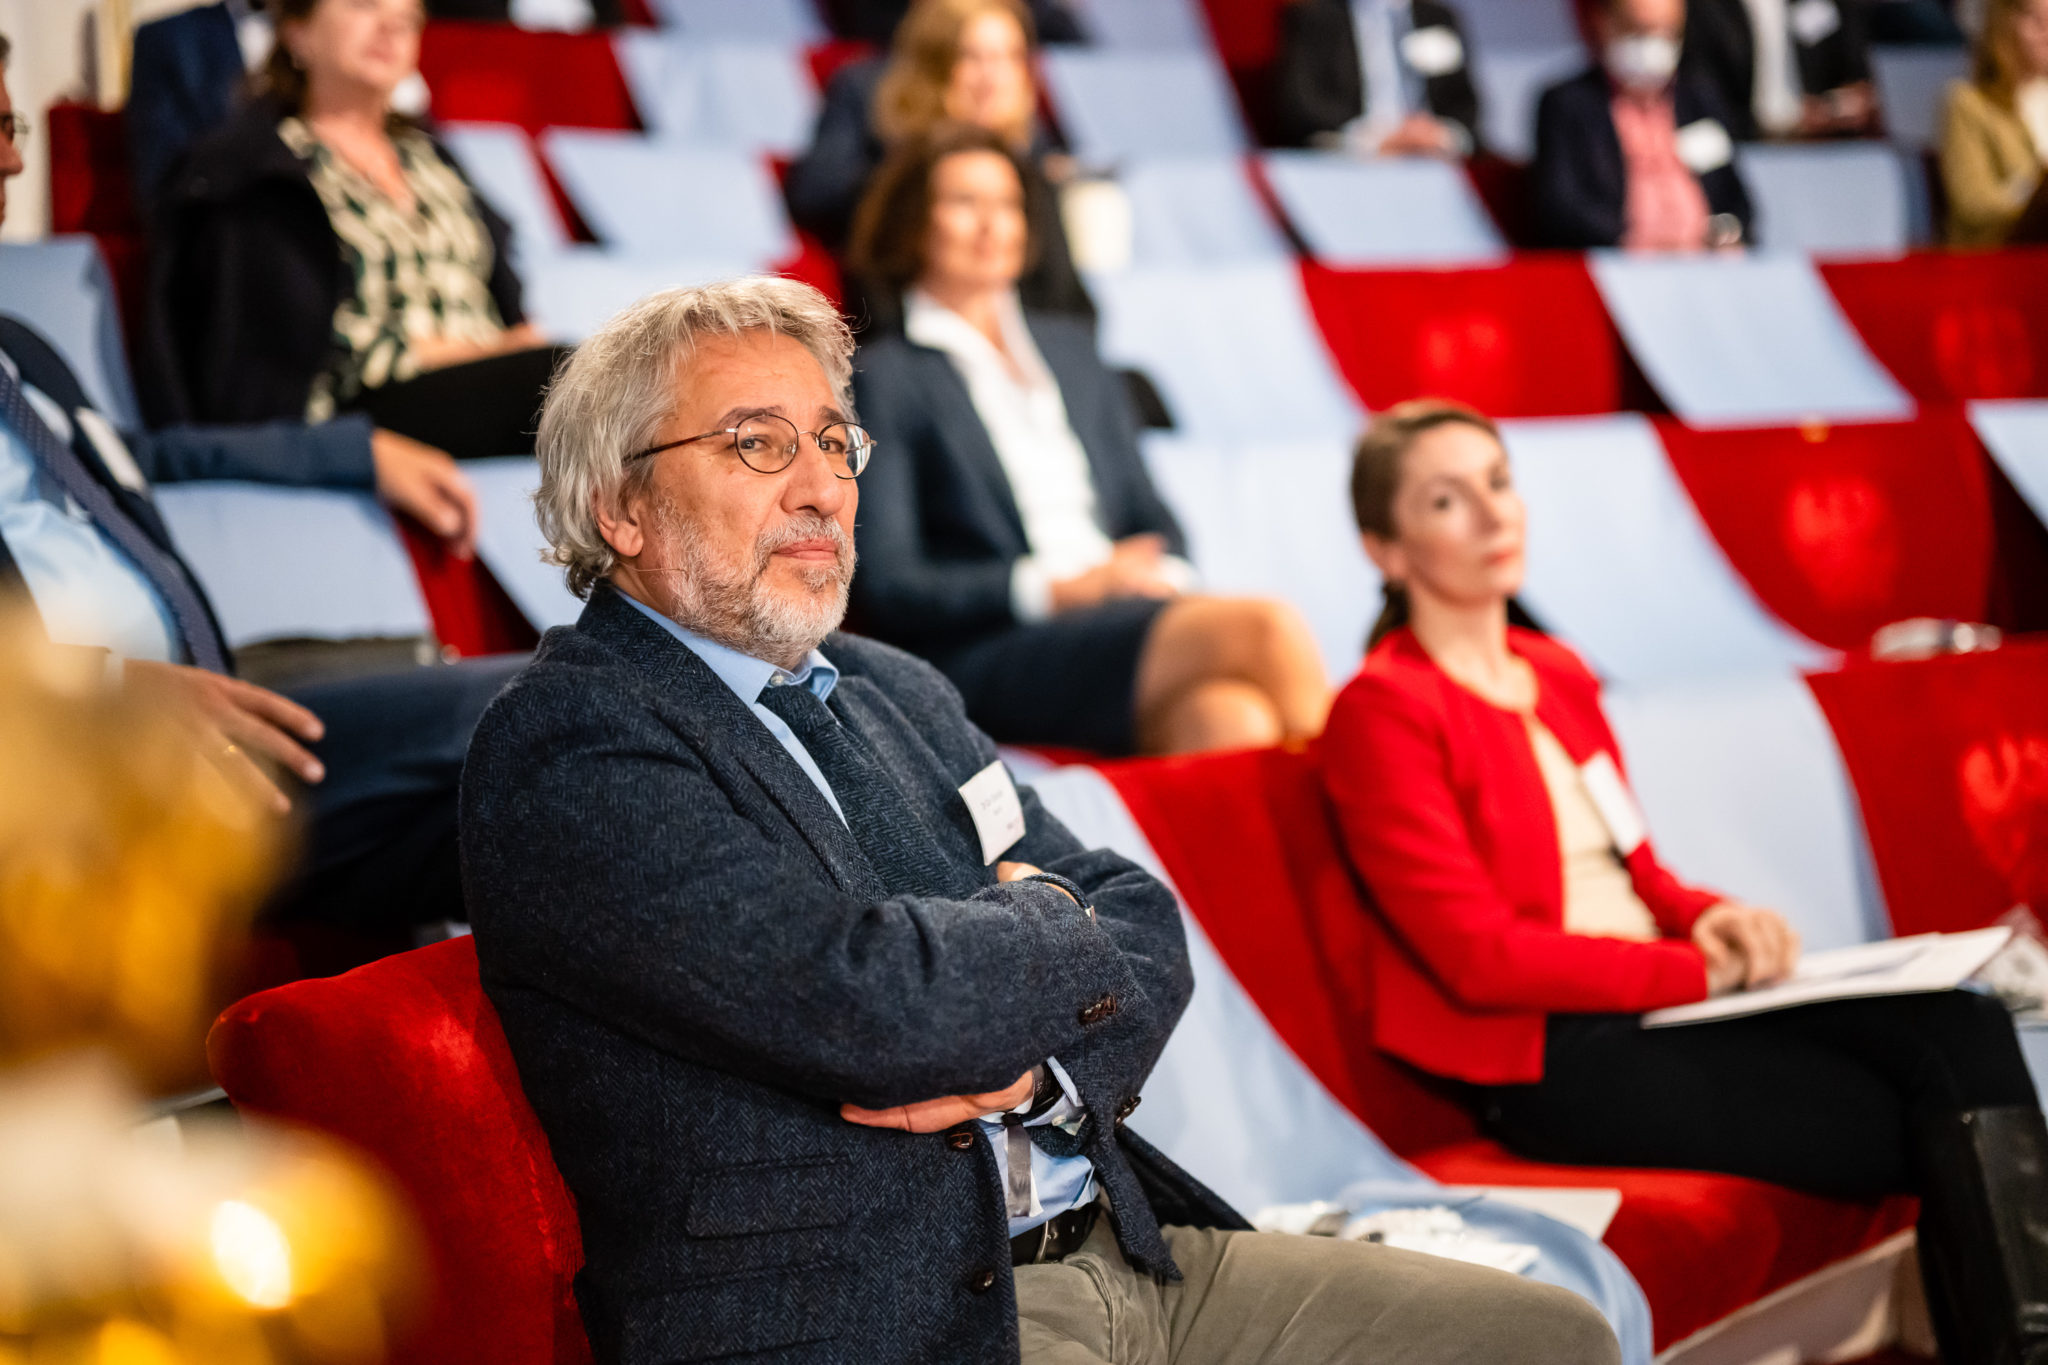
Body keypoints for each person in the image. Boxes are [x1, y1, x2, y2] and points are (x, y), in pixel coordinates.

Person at [460, 274, 1622, 1365]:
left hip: (1121, 1248)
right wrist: (1051, 923)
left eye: (832, 442)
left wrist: (1025, 1064)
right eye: (757, 444)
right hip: (885, 1312)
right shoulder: (575, 741)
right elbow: (871, 1005)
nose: (819, 487)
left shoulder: (893, 688)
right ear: (620, 506)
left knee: (1547, 1338)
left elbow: (1143, 918)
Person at [1319, 399, 2048, 1365]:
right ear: (1386, 549)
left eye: (1499, 481)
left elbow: (1637, 867)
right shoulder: (1381, 709)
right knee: (1939, 1110)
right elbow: (1477, 956)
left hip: (1667, 1001)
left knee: (1964, 1023)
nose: (1494, 513)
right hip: (1555, 1053)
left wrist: (1714, 916)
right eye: (1449, 500)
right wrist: (1697, 970)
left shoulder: (1553, 670)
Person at [0, 31, 520, 936]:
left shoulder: (20, 350)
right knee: (532, 713)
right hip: (65, 749)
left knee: (538, 753)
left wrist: (358, 453)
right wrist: (107, 690)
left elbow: (159, 456)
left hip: (210, 698)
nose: (13, 160)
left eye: (13, 127)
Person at [844, 126, 1330, 755]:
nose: (991, 224)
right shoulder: (883, 377)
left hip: (1115, 619)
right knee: (1267, 628)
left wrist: (1153, 575)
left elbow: (1153, 517)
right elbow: (891, 582)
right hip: (996, 644)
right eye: (964, 202)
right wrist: (1056, 588)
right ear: (913, 224)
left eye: (1007, 204)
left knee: (1231, 720)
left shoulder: (1073, 350)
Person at [139, 0, 566, 460]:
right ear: (297, 32)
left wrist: (512, 343)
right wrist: (477, 353)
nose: (389, 28)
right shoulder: (257, 169)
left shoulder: (430, 157)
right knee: (575, 382)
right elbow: (275, 352)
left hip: (493, 382)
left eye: (407, 20)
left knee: (605, 377)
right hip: (363, 408)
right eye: (365, 4)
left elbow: (503, 292)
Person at [785, 0, 1092, 324]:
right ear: (933, 65)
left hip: (1026, 336)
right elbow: (817, 195)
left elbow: (1068, 300)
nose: (993, 78)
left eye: (1010, 58)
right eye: (972, 57)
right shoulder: (896, 172)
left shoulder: (1028, 162)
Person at [1530, 0, 1755, 248]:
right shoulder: (1570, 104)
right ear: (1603, 24)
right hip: (1618, 261)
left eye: (1667, 33)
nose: (1654, 45)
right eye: (1640, 30)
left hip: (1706, 259)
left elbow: (1737, 201)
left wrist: (1724, 234)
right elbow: (1562, 208)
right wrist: (1637, 242)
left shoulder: (1699, 98)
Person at [1271, 0, 1486, 157]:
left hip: (1431, 157)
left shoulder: (1437, 18)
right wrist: (1374, 137)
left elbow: (1464, 103)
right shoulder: (1318, 18)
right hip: (1348, 158)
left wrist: (1437, 134)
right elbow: (1304, 104)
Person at [1683, 0, 1879, 140]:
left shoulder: (1827, 4)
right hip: (1745, 147)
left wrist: (1832, 109)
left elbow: (1859, 77)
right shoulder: (1707, 7)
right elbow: (1701, 91)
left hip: (1826, 147)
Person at [1940, 0, 2048, 245]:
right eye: (2036, 20)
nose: (2046, 34)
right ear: (2003, 25)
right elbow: (1973, 205)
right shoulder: (1967, 103)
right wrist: (2033, 195)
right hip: (2000, 252)